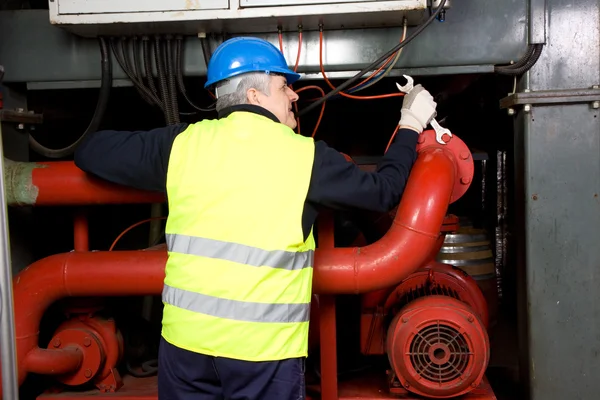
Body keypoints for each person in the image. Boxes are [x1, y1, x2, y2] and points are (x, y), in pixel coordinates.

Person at [74, 36, 437, 400]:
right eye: (284, 86)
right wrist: (410, 123)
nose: (295, 96)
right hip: (264, 356)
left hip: (184, 351)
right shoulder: (307, 158)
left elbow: (91, 152)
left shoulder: (181, 144)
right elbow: (384, 191)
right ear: (254, 95)